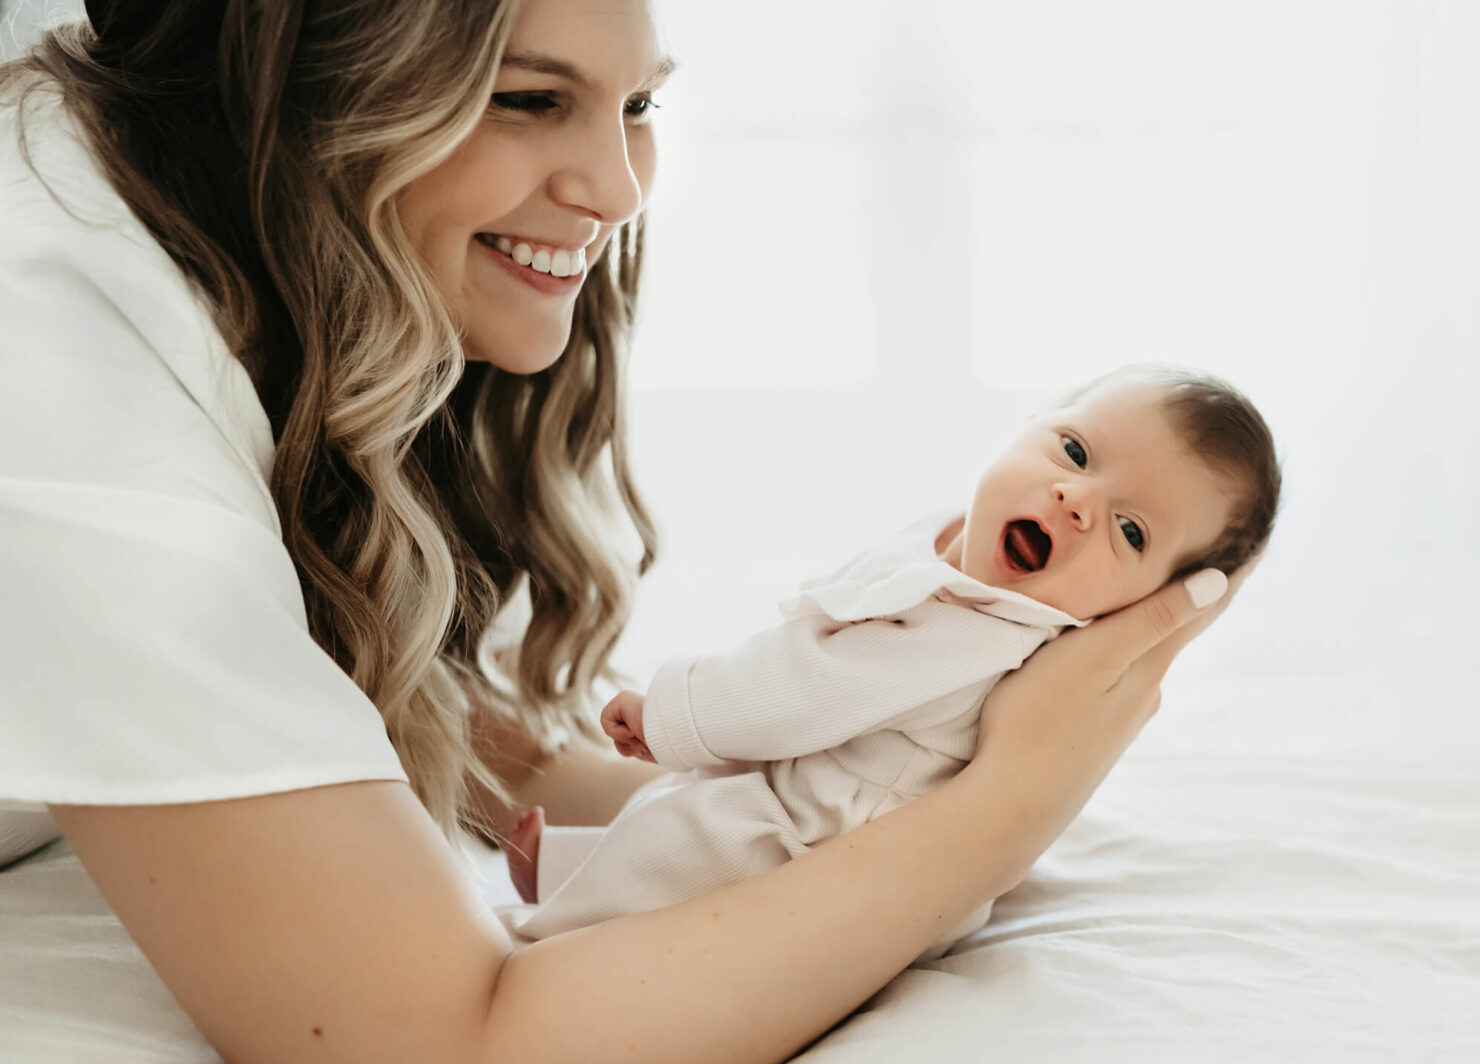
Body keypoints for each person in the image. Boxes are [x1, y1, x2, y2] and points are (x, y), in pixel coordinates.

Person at [0, 0, 1250, 1064]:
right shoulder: (66, 365)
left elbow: (428, 727)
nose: (618, 185)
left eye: (638, 104)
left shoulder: (234, 258)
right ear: (306, 86)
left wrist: (884, 782)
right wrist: (1003, 811)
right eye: (528, 98)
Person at [505, 365, 1280, 959]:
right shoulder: (961, 545)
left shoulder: (982, 636)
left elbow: (805, 688)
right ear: (1029, 424)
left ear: (1144, 610)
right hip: (814, 776)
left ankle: (555, 930)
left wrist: (677, 712)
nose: (1076, 500)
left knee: (690, 837)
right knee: (694, 798)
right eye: (1075, 451)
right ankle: (570, 864)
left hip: (817, 844)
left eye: (1130, 531)